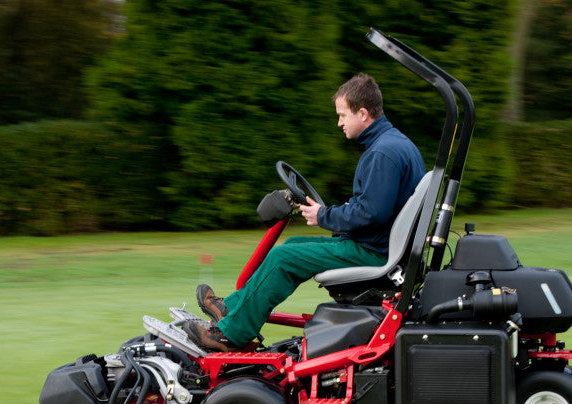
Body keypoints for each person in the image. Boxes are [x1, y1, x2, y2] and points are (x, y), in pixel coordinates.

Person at [181, 73, 426, 353]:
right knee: (294, 245)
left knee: (284, 257)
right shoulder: (395, 145)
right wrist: (336, 212)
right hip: (382, 245)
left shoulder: (382, 154)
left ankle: (229, 336)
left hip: (375, 252)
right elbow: (376, 208)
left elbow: (372, 214)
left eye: (343, 115)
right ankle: (231, 309)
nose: (339, 122)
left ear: (363, 113)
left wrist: (323, 216)